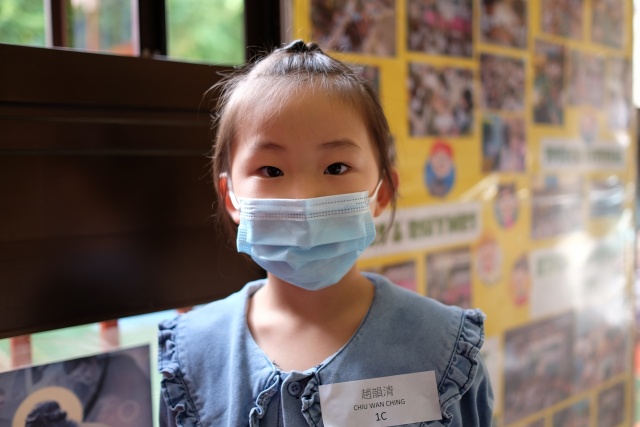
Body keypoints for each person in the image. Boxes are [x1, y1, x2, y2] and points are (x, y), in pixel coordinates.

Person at [158, 40, 493, 427]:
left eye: (336, 168)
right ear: (230, 196)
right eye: (271, 170)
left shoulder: (445, 350)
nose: (304, 198)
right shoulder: (190, 357)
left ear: (382, 192)